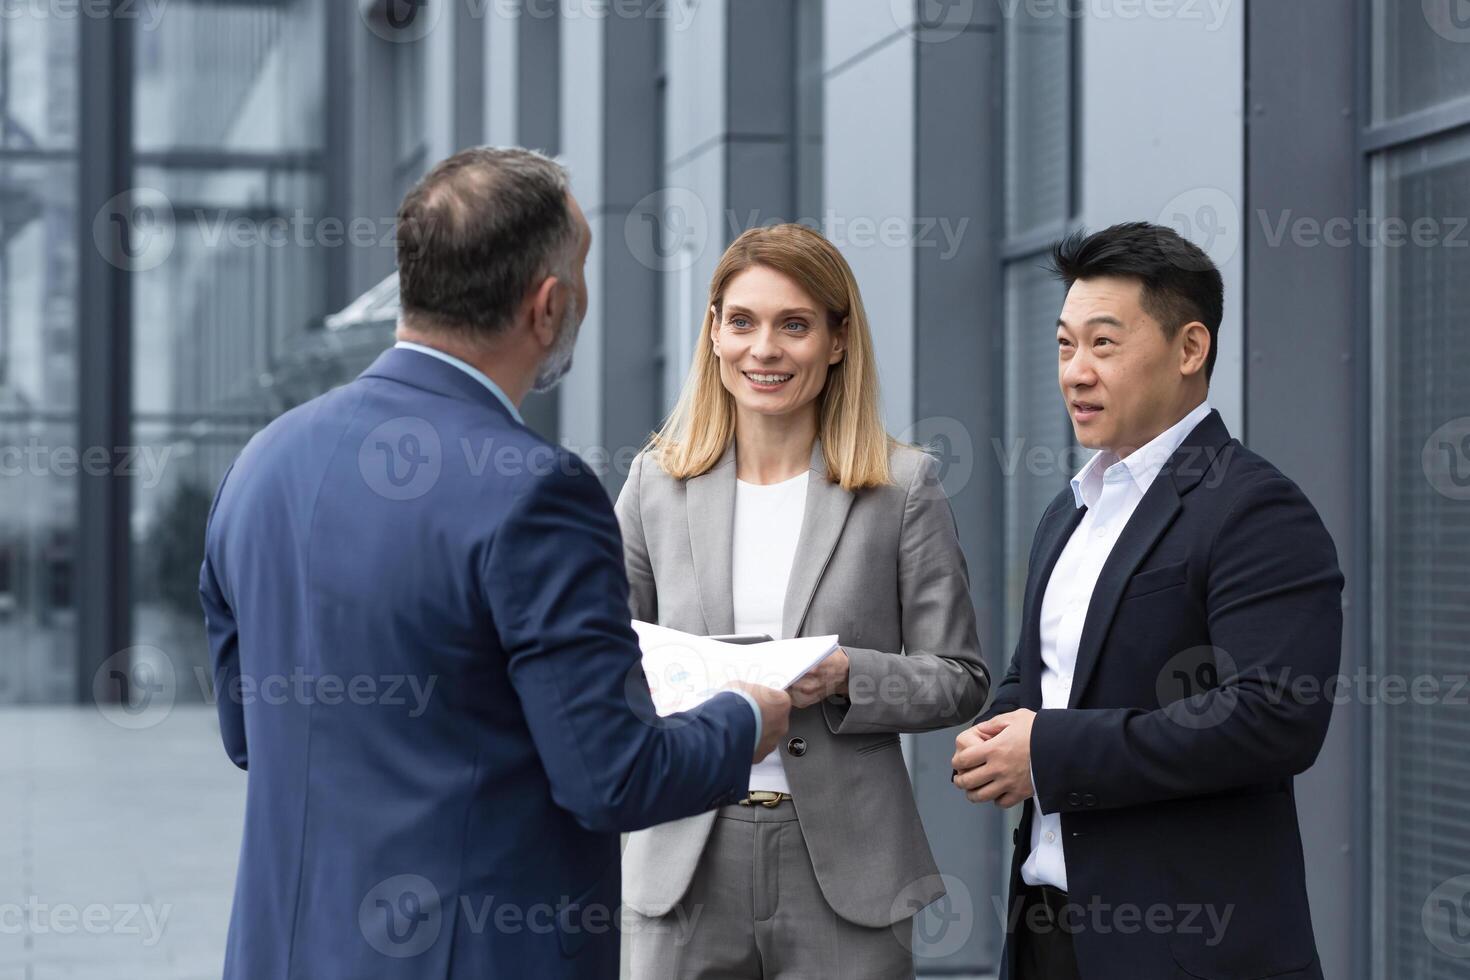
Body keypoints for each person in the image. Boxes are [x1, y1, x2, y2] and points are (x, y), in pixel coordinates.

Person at [198, 147, 792, 980]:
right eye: (580, 274)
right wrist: (747, 716)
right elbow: (612, 779)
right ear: (547, 308)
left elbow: (247, 734)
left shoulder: (259, 464)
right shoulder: (536, 492)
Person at [952, 222, 1344, 980]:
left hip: (1189, 950)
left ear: (1190, 349)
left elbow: (1274, 717)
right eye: (1065, 345)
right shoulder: (1070, 510)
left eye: (1104, 344)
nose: (1075, 372)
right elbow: (1047, 674)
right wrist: (997, 728)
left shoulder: (1254, 508)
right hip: (1046, 934)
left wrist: (1048, 751)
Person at [618, 223, 989, 978]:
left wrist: (850, 674)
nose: (765, 350)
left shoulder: (901, 487)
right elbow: (599, 656)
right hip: (683, 855)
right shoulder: (655, 484)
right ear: (714, 334)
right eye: (743, 322)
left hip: (846, 868)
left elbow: (961, 675)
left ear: (837, 340)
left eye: (795, 325)